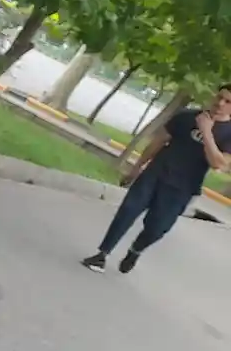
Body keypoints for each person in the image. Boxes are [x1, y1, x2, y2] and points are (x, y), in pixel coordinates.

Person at [81, 85, 231, 272]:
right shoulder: (185, 116)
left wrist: (207, 131)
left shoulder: (228, 133)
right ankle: (102, 255)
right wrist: (137, 167)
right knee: (128, 210)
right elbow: (158, 141)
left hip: (181, 188)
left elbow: (218, 163)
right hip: (155, 173)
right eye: (220, 97)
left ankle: (135, 250)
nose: (220, 103)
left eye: (228, 102)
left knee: (157, 228)